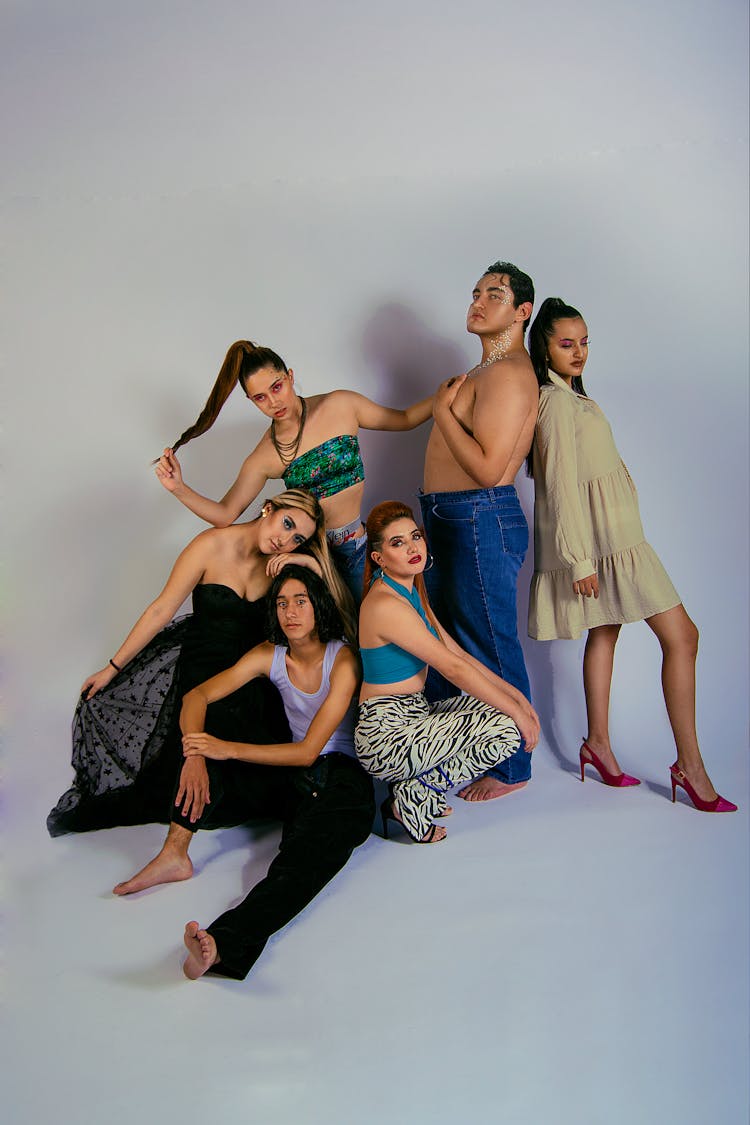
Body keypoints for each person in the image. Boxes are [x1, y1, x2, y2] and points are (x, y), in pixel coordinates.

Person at [526, 297, 736, 812]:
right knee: (682, 635)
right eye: (566, 343)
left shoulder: (575, 398)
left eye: (584, 341)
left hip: (618, 534)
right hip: (604, 544)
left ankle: (597, 744)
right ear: (544, 347)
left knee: (606, 629)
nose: (579, 352)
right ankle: (690, 766)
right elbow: (559, 486)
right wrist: (578, 559)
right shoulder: (553, 403)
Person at [47, 489, 355, 837]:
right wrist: (112, 668)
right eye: (285, 524)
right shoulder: (210, 545)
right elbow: (162, 610)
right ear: (268, 507)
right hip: (202, 675)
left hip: (250, 684)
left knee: (265, 790)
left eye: (296, 537)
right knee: (181, 774)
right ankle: (177, 845)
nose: (285, 540)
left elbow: (336, 606)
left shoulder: (282, 567)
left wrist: (308, 562)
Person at [173, 565, 375, 981]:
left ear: (317, 606)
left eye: (301, 601)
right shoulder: (270, 654)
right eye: (282, 603)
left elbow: (307, 751)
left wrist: (223, 749)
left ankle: (220, 944)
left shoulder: (344, 659)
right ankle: (218, 946)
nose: (291, 611)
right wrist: (195, 753)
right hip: (297, 783)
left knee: (297, 869)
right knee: (289, 865)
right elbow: (198, 694)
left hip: (344, 782)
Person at [154, 340, 434, 602]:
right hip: (309, 555)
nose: (273, 402)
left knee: (392, 621)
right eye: (260, 398)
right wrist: (179, 488)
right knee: (338, 643)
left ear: (289, 376)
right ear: (252, 401)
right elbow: (226, 514)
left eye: (277, 387)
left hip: (356, 546)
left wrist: (448, 395)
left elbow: (406, 418)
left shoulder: (341, 405)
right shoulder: (265, 455)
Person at [419, 260, 539, 803]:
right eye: (474, 292)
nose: (478, 301)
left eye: (494, 294)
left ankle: (515, 766)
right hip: (451, 516)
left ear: (522, 312)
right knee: (448, 645)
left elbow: (491, 470)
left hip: (479, 514)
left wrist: (443, 412)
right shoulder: (484, 372)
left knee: (489, 643)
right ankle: (463, 750)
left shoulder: (511, 372)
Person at [354, 502, 540, 843]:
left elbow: (457, 653)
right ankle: (415, 793)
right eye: (397, 543)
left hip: (414, 716)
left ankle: (413, 787)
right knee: (508, 729)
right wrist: (517, 713)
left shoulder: (409, 591)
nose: (412, 547)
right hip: (386, 735)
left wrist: (517, 698)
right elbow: (451, 668)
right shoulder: (384, 604)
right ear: (378, 558)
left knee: (504, 711)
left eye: (415, 536)